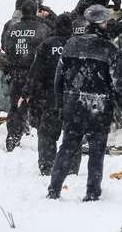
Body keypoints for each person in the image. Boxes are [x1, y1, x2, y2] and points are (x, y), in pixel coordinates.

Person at [47, 5, 122, 202]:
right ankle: (92, 192)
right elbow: (119, 84)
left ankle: (54, 189)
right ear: (103, 22)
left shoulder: (70, 44)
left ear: (86, 22)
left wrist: (60, 105)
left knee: (67, 148)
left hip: (72, 104)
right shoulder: (110, 49)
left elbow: (58, 80)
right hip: (99, 108)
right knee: (96, 152)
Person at [23, 12, 80, 175]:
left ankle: (47, 165)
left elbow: (36, 71)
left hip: (52, 96)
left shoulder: (47, 45)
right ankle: (71, 166)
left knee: (47, 133)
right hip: (74, 96)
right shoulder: (78, 44)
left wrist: (28, 91)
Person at [1, 0, 51, 151]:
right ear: (36, 11)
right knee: (41, 108)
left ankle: (12, 137)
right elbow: (48, 50)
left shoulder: (12, 29)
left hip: (16, 73)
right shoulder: (43, 29)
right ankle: (44, 142)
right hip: (36, 74)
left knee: (16, 107)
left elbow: (5, 46)